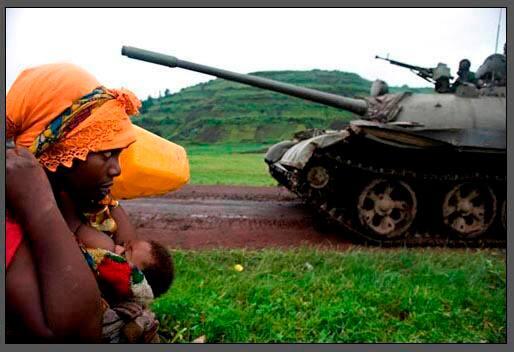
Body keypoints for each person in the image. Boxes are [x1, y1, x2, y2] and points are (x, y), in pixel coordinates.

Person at [5, 63, 168, 342]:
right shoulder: (14, 216)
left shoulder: (85, 204)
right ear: (59, 149)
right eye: (107, 154)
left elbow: (125, 241)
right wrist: (41, 208)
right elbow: (74, 334)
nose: (117, 169)